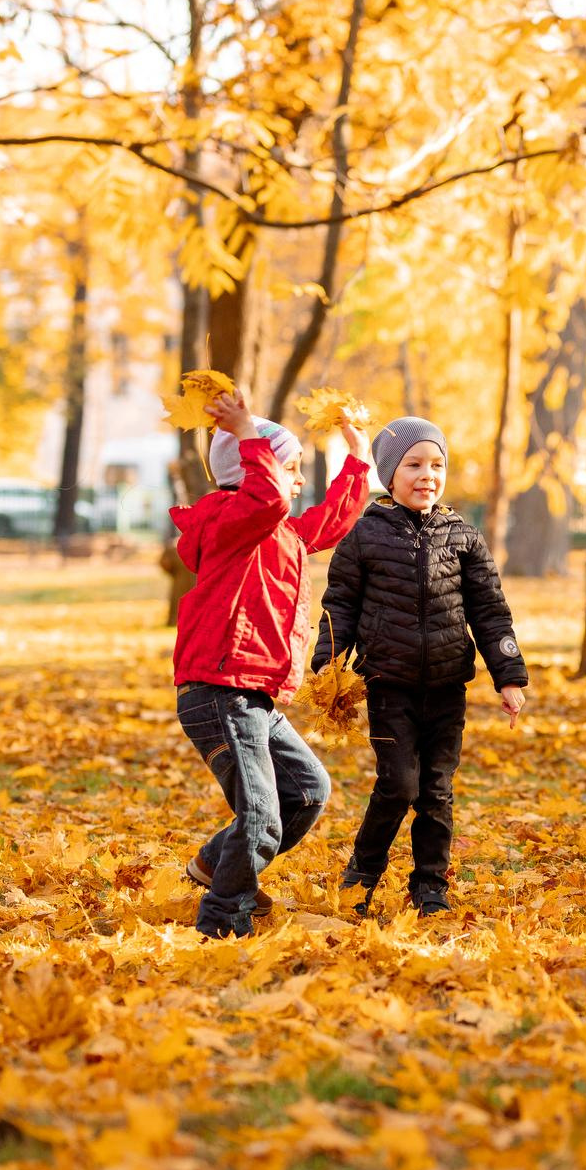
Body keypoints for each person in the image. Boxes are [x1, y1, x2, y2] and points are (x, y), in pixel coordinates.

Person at [172, 390, 371, 938]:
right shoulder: (230, 521)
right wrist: (245, 431)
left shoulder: (275, 530)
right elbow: (266, 497)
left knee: (307, 790)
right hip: (220, 690)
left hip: (253, 693)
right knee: (261, 816)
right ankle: (223, 920)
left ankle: (217, 864)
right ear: (253, 469)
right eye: (292, 469)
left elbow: (329, 523)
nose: (298, 482)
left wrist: (358, 456)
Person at [314, 417, 527, 917]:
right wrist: (328, 668)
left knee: (436, 791)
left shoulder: (463, 537)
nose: (426, 474)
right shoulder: (363, 536)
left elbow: (490, 610)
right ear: (390, 475)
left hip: (447, 687)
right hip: (389, 685)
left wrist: (510, 675)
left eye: (436, 464)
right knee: (398, 784)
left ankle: (430, 885)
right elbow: (338, 606)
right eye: (413, 464)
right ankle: (360, 876)